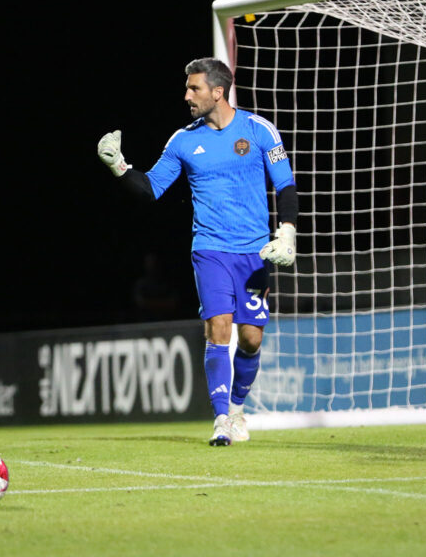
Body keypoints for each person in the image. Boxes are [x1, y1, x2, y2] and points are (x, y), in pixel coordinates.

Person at [97, 57, 298, 446]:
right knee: (218, 327)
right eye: (187, 88)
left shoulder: (260, 131)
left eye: (195, 88)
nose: (187, 95)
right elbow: (151, 188)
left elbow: (285, 186)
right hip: (210, 249)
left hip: (255, 252)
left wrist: (287, 233)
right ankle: (221, 418)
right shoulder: (183, 140)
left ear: (218, 91)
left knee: (252, 338)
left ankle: (237, 408)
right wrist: (119, 167)